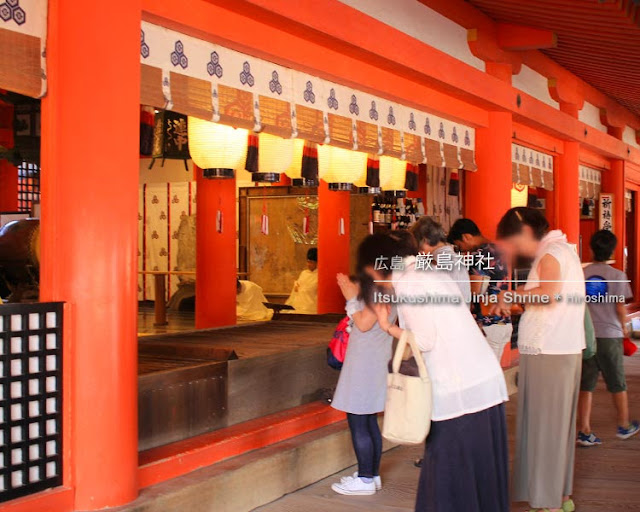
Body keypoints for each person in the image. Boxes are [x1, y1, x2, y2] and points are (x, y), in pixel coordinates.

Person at [363, 232, 509, 512]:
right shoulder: (427, 270)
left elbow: (424, 339)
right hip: (482, 381)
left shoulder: (409, 283)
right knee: (479, 474)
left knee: (449, 476)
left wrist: (387, 326)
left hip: (459, 390)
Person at [496, 207, 585, 512]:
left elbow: (548, 295)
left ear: (524, 231)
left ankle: (548, 500)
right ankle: (557, 495)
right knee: (554, 425)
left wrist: (512, 296)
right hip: (559, 349)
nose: (516, 250)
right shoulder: (561, 250)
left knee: (546, 426)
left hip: (551, 350)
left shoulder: (551, 253)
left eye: (514, 241)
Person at [329, 270, 396, 496]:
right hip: (375, 358)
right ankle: (371, 475)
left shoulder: (381, 289)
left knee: (359, 420)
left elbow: (364, 323)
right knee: (368, 420)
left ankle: (366, 479)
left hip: (365, 363)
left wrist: (349, 297)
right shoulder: (392, 286)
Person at [578, 230, 639, 446]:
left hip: (587, 336)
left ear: (591, 249)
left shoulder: (581, 274)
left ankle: (584, 430)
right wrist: (624, 328)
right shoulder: (618, 275)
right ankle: (623, 424)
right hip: (610, 335)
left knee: (586, 384)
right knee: (617, 382)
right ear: (612, 250)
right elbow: (620, 307)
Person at [448, 218, 512, 361]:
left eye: (460, 245)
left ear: (466, 237)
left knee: (484, 375)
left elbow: (475, 292)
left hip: (486, 323)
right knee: (494, 373)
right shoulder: (499, 250)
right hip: (503, 320)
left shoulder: (479, 255)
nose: (463, 250)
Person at [410, 216, 471, 302]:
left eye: (417, 246)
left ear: (425, 240)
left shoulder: (439, 262)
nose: (418, 252)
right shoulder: (451, 257)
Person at [285, 248, 318, 314]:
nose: (308, 264)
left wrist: (304, 289)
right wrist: (296, 286)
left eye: (311, 262)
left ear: (317, 263)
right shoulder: (304, 273)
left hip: (311, 306)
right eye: (308, 261)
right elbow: (299, 286)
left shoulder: (320, 275)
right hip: (298, 304)